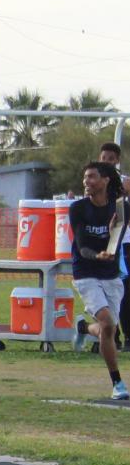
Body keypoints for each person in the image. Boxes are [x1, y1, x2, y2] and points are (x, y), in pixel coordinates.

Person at [69, 161, 127, 401]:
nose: (87, 181)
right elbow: (82, 246)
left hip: (111, 274)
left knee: (108, 329)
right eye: (85, 177)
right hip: (86, 272)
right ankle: (118, 383)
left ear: (105, 180)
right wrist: (98, 255)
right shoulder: (78, 208)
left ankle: (83, 328)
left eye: (92, 176)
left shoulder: (121, 208)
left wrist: (112, 240)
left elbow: (116, 238)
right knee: (107, 323)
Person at [102, 143, 127, 346]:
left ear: (117, 160)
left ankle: (126, 335)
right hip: (103, 244)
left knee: (125, 290)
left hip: (124, 243)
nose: (107, 162)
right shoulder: (94, 184)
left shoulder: (124, 184)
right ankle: (111, 336)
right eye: (104, 158)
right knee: (107, 290)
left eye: (111, 158)